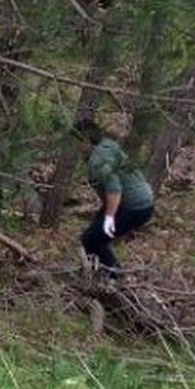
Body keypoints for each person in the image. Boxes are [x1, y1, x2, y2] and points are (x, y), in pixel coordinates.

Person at [72, 119, 155, 277]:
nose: (76, 147)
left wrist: (110, 217)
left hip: (134, 207)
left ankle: (115, 278)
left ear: (86, 140)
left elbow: (114, 189)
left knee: (92, 239)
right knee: (92, 235)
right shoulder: (106, 146)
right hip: (141, 202)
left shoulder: (99, 159)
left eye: (77, 141)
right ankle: (98, 270)